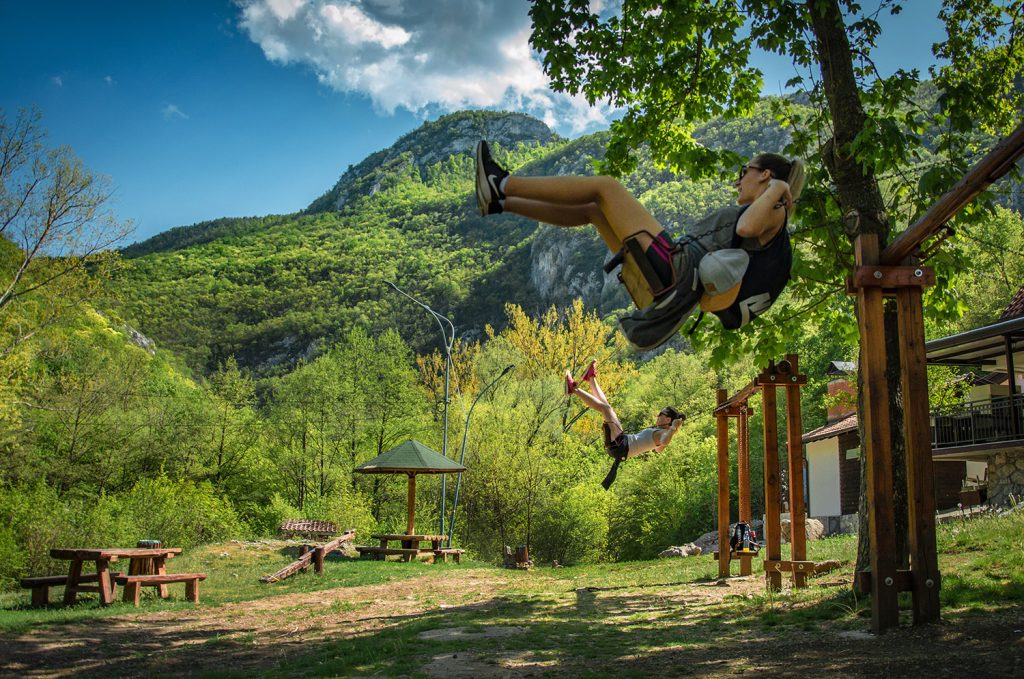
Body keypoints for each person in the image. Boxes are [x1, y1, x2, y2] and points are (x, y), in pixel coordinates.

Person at [474, 140, 805, 350]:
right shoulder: (772, 230)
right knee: (593, 210)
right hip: (670, 285)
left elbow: (747, 225)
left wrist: (778, 190)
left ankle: (501, 182)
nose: (738, 178)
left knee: (605, 187)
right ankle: (500, 202)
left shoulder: (775, 211)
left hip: (676, 270)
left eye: (744, 170)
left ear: (765, 176)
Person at [566, 360, 684, 470]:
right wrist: (672, 429)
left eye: (660, 414)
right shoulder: (662, 433)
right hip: (620, 447)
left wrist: (673, 428)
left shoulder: (664, 434)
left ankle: (574, 389)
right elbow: (659, 450)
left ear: (668, 419)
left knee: (605, 408)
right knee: (607, 407)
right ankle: (590, 378)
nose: (657, 416)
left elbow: (664, 442)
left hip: (622, 446)